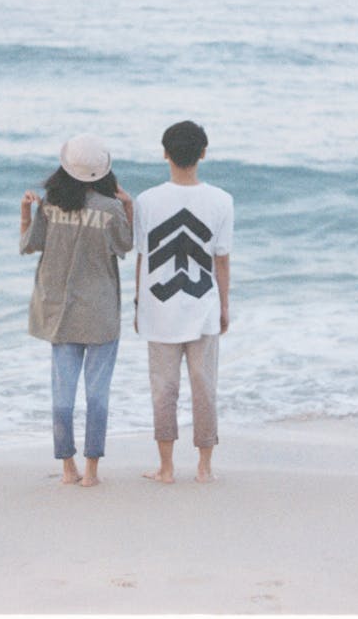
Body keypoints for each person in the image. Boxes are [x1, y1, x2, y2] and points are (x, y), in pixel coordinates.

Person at [20, 134, 134, 487]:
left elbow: (29, 245)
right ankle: (92, 472)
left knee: (63, 392)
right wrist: (128, 206)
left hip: (60, 312)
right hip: (99, 313)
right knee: (97, 394)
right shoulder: (110, 209)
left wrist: (27, 210)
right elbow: (126, 245)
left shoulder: (51, 206)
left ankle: (68, 469)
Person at [133, 121, 233, 484]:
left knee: (163, 388)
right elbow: (221, 259)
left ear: (164, 153)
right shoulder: (222, 200)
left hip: (158, 308)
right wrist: (224, 305)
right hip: (203, 305)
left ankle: (166, 467)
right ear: (203, 153)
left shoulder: (146, 200)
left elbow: (143, 257)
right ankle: (205, 467)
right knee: (204, 385)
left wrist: (137, 304)